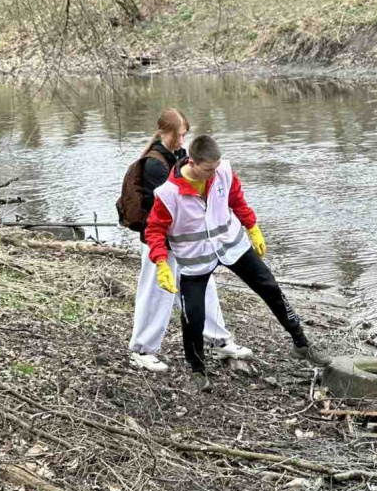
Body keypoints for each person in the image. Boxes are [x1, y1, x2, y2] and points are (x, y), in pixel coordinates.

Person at [145, 133, 331, 392]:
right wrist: (161, 263)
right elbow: (154, 230)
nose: (213, 174)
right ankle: (197, 371)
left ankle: (301, 344)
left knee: (270, 287)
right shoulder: (168, 193)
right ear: (192, 162)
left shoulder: (223, 172)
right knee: (193, 315)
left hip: (232, 246)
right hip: (195, 259)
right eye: (208, 170)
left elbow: (237, 201)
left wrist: (252, 227)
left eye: (216, 167)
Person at [128, 109, 252, 372]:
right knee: (156, 294)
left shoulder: (182, 156)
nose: (183, 140)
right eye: (179, 134)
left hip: (186, 243)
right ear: (164, 132)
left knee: (205, 288)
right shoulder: (154, 165)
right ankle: (142, 350)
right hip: (160, 243)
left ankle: (219, 340)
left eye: (185, 134)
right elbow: (167, 210)